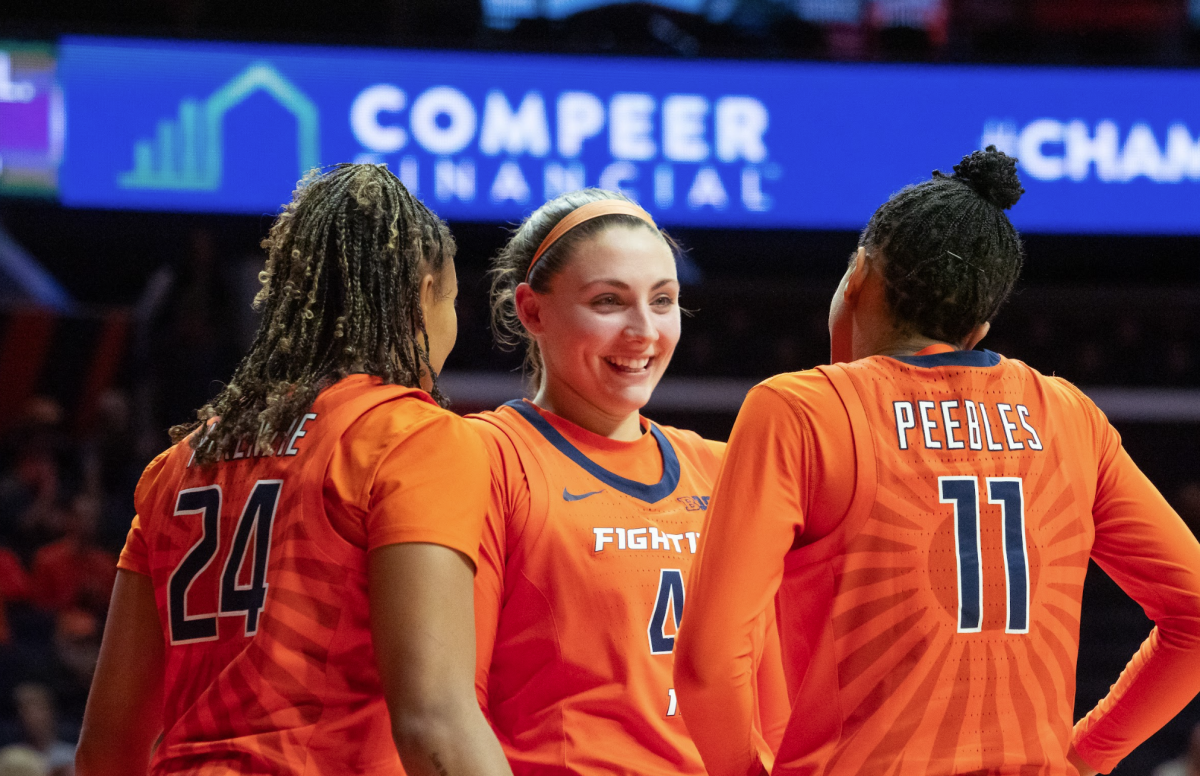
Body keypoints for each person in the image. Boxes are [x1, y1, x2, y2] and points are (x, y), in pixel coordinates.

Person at [674, 148, 1200, 776]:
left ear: (859, 276)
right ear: (978, 329)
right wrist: (1087, 756)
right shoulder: (1069, 414)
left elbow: (708, 660)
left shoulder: (801, 409)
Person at [75, 164, 512, 776]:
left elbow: (106, 748)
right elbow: (434, 722)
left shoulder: (178, 465)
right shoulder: (409, 437)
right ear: (423, 291)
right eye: (454, 301)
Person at [468, 189, 788, 776]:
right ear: (532, 311)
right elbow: (453, 707)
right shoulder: (486, 458)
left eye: (663, 301)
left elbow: (771, 710)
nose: (644, 330)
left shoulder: (725, 467)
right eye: (609, 301)